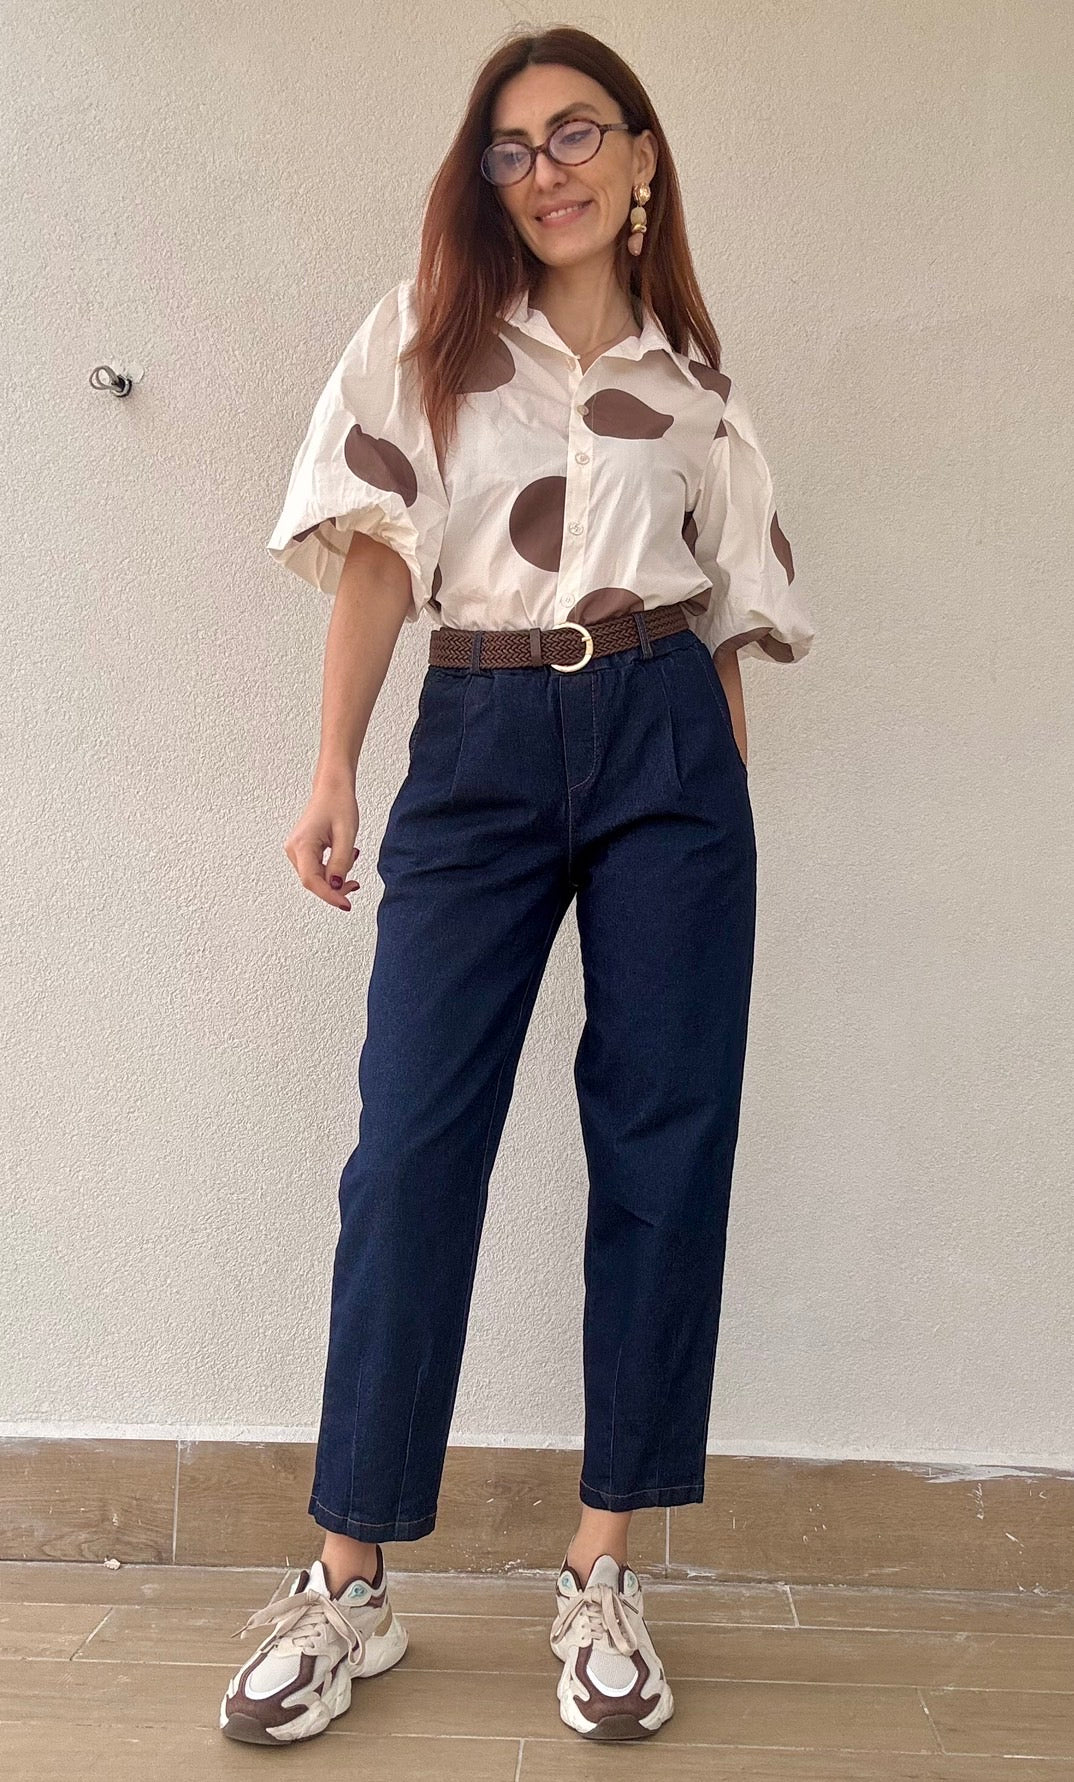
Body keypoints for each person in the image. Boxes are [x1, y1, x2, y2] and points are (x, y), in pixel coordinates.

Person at [220, 23, 814, 1750]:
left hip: (665, 749)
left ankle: (602, 1561)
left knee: (663, 1139)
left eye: (573, 133)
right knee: (411, 1146)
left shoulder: (694, 382)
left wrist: (715, 809)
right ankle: (348, 1577)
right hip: (476, 737)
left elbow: (724, 622)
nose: (541, 168)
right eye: (508, 146)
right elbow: (375, 561)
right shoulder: (425, 337)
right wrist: (334, 769)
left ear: (639, 159)